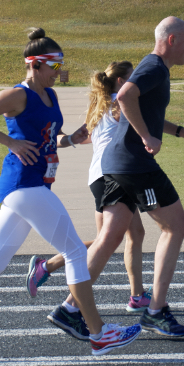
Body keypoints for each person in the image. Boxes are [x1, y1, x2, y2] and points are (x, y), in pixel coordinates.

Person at [0, 28, 141, 358]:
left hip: (33, 187)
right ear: (34, 64)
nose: (59, 73)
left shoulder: (51, 96)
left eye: (61, 66)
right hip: (24, 184)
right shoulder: (18, 95)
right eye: (54, 66)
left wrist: (71, 139)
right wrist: (11, 142)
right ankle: (98, 333)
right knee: (75, 251)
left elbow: (51, 136)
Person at [45, 17, 184, 340]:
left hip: (116, 164)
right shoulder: (155, 67)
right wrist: (147, 136)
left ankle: (69, 308)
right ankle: (156, 310)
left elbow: (140, 105)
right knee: (175, 226)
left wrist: (178, 131)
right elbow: (125, 96)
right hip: (135, 165)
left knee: (109, 238)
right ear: (172, 40)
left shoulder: (153, 68)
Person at [26, 61, 152, 338]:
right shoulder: (122, 102)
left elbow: (90, 135)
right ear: (121, 81)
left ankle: (137, 295)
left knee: (127, 234)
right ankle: (66, 296)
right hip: (114, 174)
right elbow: (142, 123)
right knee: (108, 240)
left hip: (103, 176)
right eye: (132, 78)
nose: (136, 84)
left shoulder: (103, 104)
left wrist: (71, 138)